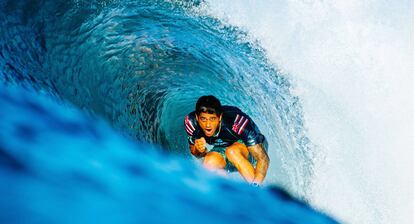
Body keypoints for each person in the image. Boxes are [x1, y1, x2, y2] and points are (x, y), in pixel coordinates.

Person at [184, 95, 269, 184]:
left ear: (220, 117)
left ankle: (256, 192)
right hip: (224, 150)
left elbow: (263, 158)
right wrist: (199, 150)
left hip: (252, 151)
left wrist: (257, 184)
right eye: (203, 119)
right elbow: (196, 153)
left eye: (212, 119)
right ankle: (225, 193)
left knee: (232, 151)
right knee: (209, 163)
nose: (208, 125)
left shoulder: (237, 122)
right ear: (197, 118)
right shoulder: (191, 123)